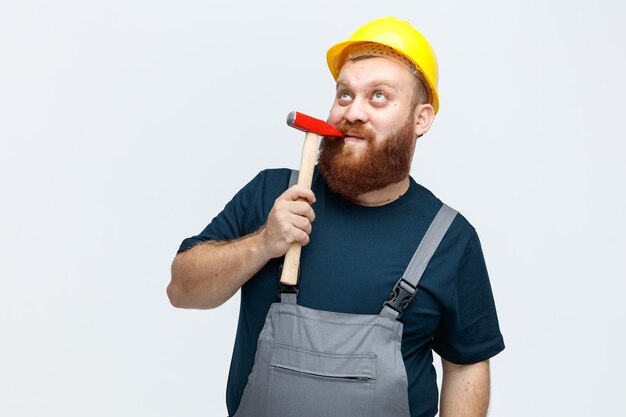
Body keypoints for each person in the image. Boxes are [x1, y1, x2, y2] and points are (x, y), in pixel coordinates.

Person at [168, 17, 504, 417]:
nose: (354, 112)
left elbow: (466, 363)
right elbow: (181, 290)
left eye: (378, 96)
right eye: (344, 95)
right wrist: (263, 242)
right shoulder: (271, 195)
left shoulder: (449, 238)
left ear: (421, 119)